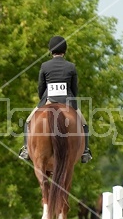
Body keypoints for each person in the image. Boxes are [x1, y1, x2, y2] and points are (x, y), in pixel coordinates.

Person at [18, 35, 93, 163]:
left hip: (49, 100)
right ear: (65, 50)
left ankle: (26, 149)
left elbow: (41, 87)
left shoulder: (45, 66)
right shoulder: (71, 66)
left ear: (51, 50)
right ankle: (85, 151)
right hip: (68, 102)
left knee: (28, 121)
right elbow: (74, 89)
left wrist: (42, 99)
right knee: (84, 124)